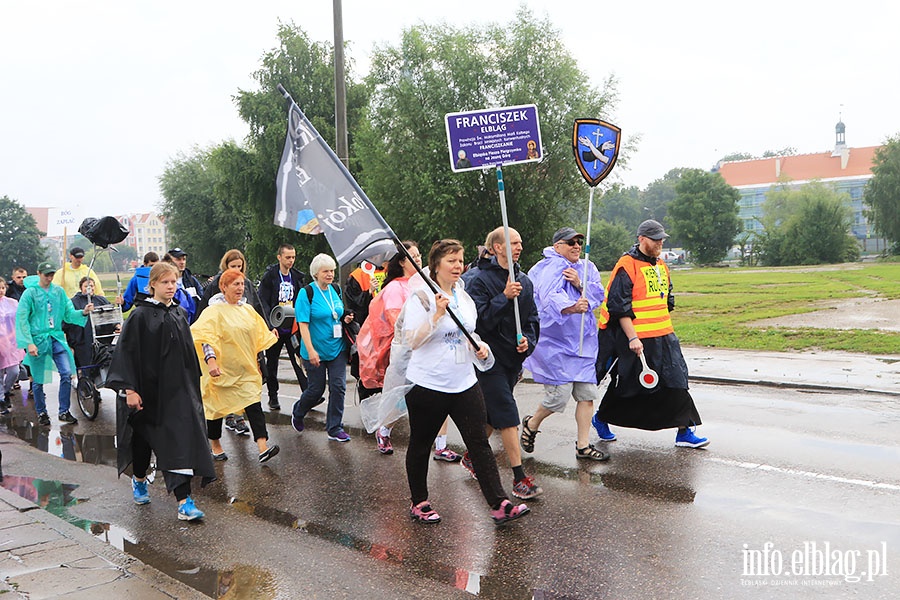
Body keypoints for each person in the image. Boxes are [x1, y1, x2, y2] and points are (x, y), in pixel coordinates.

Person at [400, 239, 530, 525]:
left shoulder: (463, 296)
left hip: (464, 383)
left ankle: (499, 504)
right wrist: (435, 315)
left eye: (460, 260)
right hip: (427, 385)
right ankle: (419, 501)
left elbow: (468, 333)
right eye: (451, 261)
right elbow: (412, 340)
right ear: (435, 265)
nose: (458, 266)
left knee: (479, 444)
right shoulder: (421, 296)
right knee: (421, 445)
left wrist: (480, 347)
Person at [105, 262, 215, 521]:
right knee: (143, 444)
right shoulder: (140, 316)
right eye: (165, 282)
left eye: (174, 282)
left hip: (176, 394)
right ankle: (140, 479)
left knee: (177, 442)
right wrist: (130, 390)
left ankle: (184, 501)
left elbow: (187, 355)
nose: (170, 287)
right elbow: (127, 354)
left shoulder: (178, 313)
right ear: (151, 284)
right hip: (147, 394)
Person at [594, 219, 709, 448]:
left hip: (665, 337)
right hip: (637, 340)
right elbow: (619, 306)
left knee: (676, 382)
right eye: (655, 239)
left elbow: (666, 301)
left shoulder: (660, 266)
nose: (659, 243)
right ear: (641, 239)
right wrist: (633, 338)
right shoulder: (627, 265)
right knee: (630, 387)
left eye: (661, 239)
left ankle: (684, 431)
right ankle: (601, 418)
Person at [356, 242, 460, 461]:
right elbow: (398, 324)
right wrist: (422, 327)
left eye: (420, 255)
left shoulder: (426, 284)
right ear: (402, 262)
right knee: (399, 397)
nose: (419, 259)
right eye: (413, 256)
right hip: (407, 351)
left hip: (431, 348)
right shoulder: (394, 288)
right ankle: (384, 430)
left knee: (442, 395)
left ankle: (441, 446)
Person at [465, 227, 542, 499]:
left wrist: (528, 343)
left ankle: (472, 456)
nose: (519, 246)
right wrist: (503, 297)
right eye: (512, 243)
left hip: (512, 359)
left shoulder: (524, 280)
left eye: (520, 242)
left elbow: (532, 319)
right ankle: (520, 478)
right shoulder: (476, 279)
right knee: (508, 415)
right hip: (487, 359)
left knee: (492, 414)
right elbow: (477, 322)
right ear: (496, 247)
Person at [520, 227, 609, 461]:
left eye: (579, 242)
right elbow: (547, 298)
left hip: (584, 342)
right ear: (557, 246)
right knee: (559, 395)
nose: (576, 246)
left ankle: (583, 445)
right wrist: (570, 307)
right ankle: (532, 422)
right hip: (556, 343)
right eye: (570, 243)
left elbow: (598, 294)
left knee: (587, 394)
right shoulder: (547, 268)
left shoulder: (587, 267)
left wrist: (581, 284)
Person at [191, 269, 281, 463]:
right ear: (223, 287)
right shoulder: (213, 311)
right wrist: (211, 362)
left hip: (245, 370)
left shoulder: (247, 310)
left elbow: (256, 336)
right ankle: (215, 444)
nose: (240, 288)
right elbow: (206, 338)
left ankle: (262, 446)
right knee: (216, 409)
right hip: (221, 372)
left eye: (242, 284)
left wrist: (260, 356)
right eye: (235, 284)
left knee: (253, 404)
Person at [195, 249, 266, 435]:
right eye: (233, 267)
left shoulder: (247, 287)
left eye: (240, 267)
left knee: (248, 391)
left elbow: (256, 308)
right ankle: (221, 430)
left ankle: (251, 431)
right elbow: (205, 322)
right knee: (221, 393)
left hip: (242, 351)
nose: (237, 271)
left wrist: (265, 328)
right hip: (223, 352)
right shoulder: (214, 293)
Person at [15, 261, 92, 427]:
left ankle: (64, 411)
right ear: (39, 273)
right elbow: (22, 320)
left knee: (66, 373)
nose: (49, 278)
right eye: (46, 274)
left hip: (56, 338)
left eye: (51, 274)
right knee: (38, 379)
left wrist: (83, 312)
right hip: (38, 340)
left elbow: (69, 313)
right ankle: (41, 411)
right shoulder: (29, 294)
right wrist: (29, 343)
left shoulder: (59, 292)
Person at [291, 254, 354, 442]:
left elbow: (337, 314)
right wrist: (310, 350)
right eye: (325, 271)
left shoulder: (335, 289)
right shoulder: (306, 293)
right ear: (316, 273)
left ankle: (334, 427)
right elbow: (303, 324)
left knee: (338, 386)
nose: (330, 274)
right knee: (315, 390)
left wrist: (346, 318)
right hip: (314, 349)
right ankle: (299, 410)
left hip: (337, 348)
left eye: (332, 270)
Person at [257, 244, 309, 410]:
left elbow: (301, 299)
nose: (291, 260)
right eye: (288, 257)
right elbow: (262, 301)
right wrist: (269, 324)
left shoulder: (296, 277)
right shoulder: (270, 277)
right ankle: (273, 397)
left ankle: (308, 394)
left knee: (299, 360)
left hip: (292, 327)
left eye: (293, 257)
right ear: (279, 257)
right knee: (272, 363)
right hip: (275, 327)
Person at [344, 259, 387, 401]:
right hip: (367, 330)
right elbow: (353, 304)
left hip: (387, 328)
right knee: (367, 368)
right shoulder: (357, 276)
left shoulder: (389, 270)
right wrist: (368, 292)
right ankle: (366, 400)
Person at [64, 277, 112, 375]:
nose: (89, 288)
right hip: (82, 341)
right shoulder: (73, 302)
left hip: (100, 340)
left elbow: (111, 316)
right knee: (86, 367)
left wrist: (116, 326)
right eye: (86, 286)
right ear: (81, 288)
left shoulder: (101, 300)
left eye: (91, 286)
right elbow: (67, 321)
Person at [0, 277, 25, 415]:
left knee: (14, 371)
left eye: (2, 288)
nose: (1, 291)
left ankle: (5, 391)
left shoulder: (12, 303)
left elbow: (21, 318)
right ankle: (1, 400)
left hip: (11, 343)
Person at [167, 247, 204, 320]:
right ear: (169, 261)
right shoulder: (164, 281)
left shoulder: (192, 281)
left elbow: (202, 300)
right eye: (178, 259)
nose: (182, 262)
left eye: (184, 259)